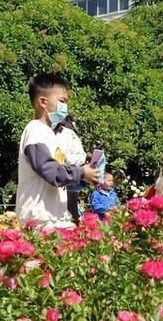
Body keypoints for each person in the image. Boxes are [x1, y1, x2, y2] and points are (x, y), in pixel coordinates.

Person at [16, 73, 100, 228]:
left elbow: (59, 180)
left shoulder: (49, 134)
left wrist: (85, 179)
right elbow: (50, 171)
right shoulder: (35, 130)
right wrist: (81, 172)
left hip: (56, 219)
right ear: (43, 102)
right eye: (62, 101)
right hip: (39, 221)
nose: (65, 107)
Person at [53, 113, 87, 223]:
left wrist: (65, 159)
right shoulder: (40, 131)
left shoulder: (68, 133)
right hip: (50, 181)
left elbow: (81, 156)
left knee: (69, 211)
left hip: (66, 179)